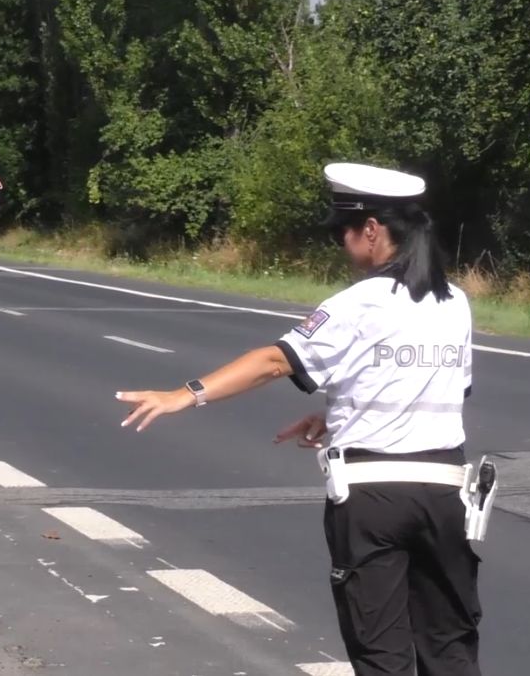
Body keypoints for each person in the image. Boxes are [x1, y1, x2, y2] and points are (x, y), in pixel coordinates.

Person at [117, 162, 487, 676]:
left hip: (373, 499)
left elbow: (275, 360)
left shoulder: (359, 302)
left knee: (381, 654)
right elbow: (435, 388)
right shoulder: (455, 303)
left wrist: (185, 394)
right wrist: (339, 414)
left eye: (342, 231)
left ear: (372, 231)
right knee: (450, 649)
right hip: (445, 494)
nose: (340, 243)